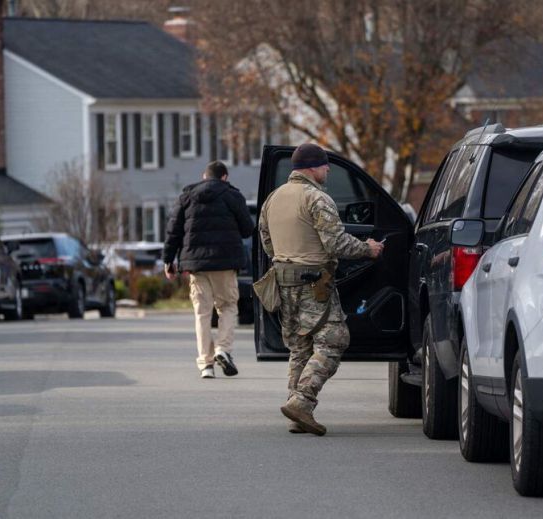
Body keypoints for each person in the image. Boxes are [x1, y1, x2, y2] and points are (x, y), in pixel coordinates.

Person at [259, 143, 384, 435]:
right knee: (334, 340)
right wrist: (368, 249)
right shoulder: (317, 198)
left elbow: (267, 242)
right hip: (315, 282)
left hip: (283, 280)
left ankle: (296, 410)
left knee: (299, 347)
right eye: (325, 165)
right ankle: (303, 401)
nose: (328, 170)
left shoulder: (273, 199)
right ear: (313, 167)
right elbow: (336, 243)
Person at [163, 160, 254, 379]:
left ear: (204, 176)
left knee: (202, 313)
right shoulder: (233, 195)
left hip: (196, 265)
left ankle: (206, 364)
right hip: (225, 262)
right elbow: (247, 229)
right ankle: (223, 349)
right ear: (225, 177)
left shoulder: (187, 197)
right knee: (228, 307)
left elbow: (173, 232)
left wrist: (168, 261)